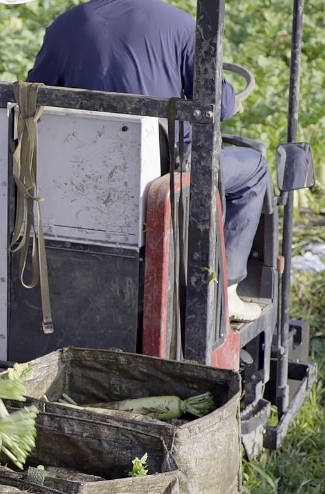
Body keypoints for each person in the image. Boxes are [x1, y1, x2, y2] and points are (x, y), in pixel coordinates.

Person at [26, 0, 268, 322]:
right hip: (164, 168)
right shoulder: (181, 26)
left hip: (79, 168)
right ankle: (228, 293)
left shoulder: (65, 25)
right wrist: (231, 102)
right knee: (255, 169)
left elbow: (35, 92)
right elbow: (219, 106)